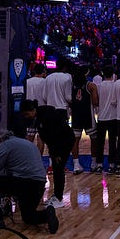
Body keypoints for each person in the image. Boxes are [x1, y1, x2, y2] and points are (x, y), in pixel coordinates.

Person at [0, 130, 59, 234]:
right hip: (39, 184)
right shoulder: (27, 143)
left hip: (24, 183)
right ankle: (47, 214)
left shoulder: (4, 145)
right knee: (28, 217)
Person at [42, 64, 75, 208]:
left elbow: (44, 96)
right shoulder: (67, 78)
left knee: (49, 138)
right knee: (59, 138)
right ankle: (59, 161)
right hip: (61, 110)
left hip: (49, 108)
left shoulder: (48, 78)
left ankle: (52, 163)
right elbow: (68, 96)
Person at [69, 68, 97, 174]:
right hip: (88, 116)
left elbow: (69, 99)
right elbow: (95, 101)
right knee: (94, 139)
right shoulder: (90, 85)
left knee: (75, 140)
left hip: (76, 115)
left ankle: (76, 165)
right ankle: (93, 163)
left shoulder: (71, 85)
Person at [92, 66, 118, 173]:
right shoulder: (115, 86)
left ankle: (99, 164)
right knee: (112, 142)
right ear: (113, 75)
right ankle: (112, 165)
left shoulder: (99, 86)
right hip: (113, 117)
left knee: (100, 143)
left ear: (103, 74)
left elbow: (96, 101)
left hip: (101, 117)